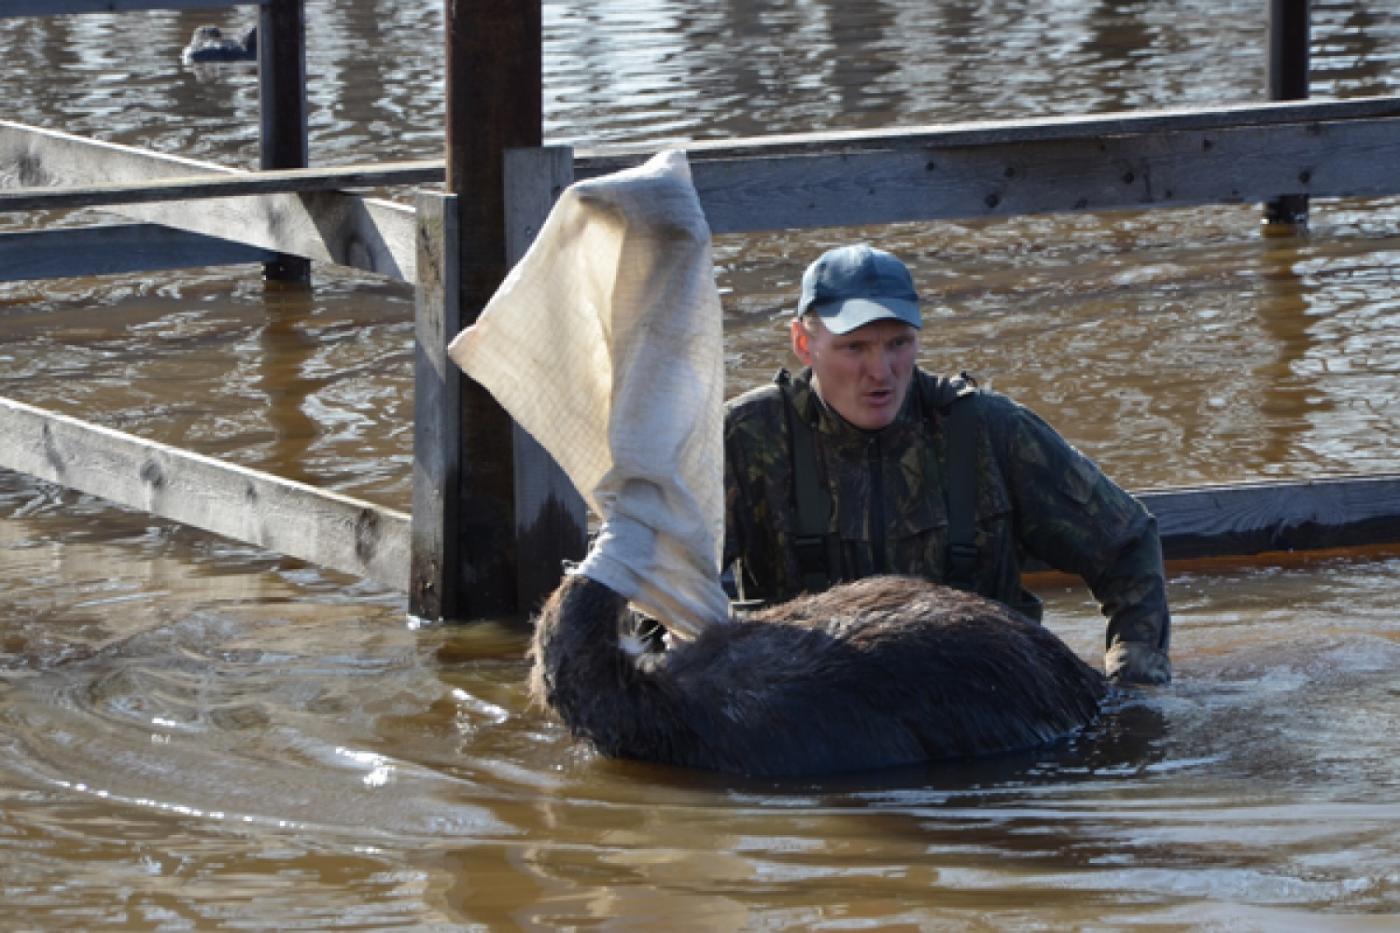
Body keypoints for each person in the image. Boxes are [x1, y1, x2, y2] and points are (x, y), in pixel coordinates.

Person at [722, 244, 1172, 685]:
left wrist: (1135, 686)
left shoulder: (989, 430)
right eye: (855, 348)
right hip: (806, 719)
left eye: (898, 343)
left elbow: (1127, 543)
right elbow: (661, 586)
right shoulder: (745, 437)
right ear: (804, 342)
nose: (881, 371)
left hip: (983, 708)